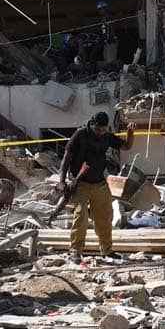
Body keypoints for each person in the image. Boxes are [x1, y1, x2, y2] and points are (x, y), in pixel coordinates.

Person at [59, 111, 134, 263]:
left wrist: (130, 133)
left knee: (105, 217)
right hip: (80, 183)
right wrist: (62, 180)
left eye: (104, 130)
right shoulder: (80, 134)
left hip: (99, 183)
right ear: (92, 124)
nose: (101, 132)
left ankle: (107, 250)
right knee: (81, 217)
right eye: (98, 129)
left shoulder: (106, 136)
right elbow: (66, 157)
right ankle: (75, 251)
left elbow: (126, 146)